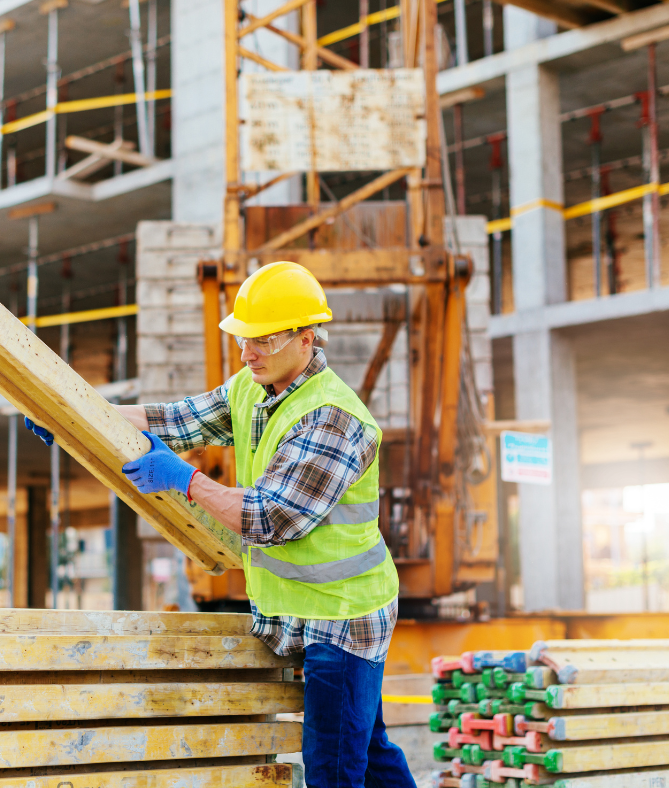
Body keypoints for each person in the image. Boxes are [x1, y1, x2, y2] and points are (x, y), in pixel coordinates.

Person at [26, 261, 414, 788]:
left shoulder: (333, 420)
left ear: (307, 339)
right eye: (243, 339)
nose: (249, 352)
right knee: (366, 744)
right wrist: (74, 416)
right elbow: (177, 419)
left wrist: (186, 480)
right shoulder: (254, 386)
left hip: (344, 617)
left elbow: (269, 517)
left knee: (333, 767)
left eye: (265, 339)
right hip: (303, 607)